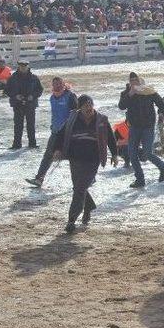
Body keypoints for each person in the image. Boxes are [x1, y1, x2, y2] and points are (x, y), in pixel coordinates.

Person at [53, 95, 118, 233]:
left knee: (80, 188)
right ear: (80, 108)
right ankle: (88, 207)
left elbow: (111, 138)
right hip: (75, 158)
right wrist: (58, 150)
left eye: (90, 105)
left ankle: (71, 220)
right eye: (85, 105)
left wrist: (115, 154)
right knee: (78, 187)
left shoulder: (101, 120)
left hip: (93, 159)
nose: (88, 108)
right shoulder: (72, 119)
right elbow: (60, 134)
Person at [118, 72, 164, 188]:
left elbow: (161, 103)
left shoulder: (148, 91)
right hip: (134, 127)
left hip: (148, 127)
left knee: (147, 153)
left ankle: (163, 167)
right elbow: (121, 106)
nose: (134, 83)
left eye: (135, 80)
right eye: (131, 81)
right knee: (132, 154)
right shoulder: (126, 93)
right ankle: (140, 179)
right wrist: (130, 94)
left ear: (139, 80)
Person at [26, 77, 78, 187]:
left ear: (63, 85)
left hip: (69, 133)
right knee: (48, 155)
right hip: (56, 132)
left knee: (76, 157)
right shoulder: (52, 98)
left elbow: (76, 114)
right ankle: (39, 178)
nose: (57, 86)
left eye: (59, 84)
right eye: (55, 84)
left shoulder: (70, 96)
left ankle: (89, 178)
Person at [6, 60, 43, 149]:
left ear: (27, 66)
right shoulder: (12, 78)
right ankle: (16, 144)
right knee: (18, 125)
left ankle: (32, 144)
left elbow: (40, 90)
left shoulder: (34, 77)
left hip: (30, 104)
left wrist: (33, 96)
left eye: (25, 66)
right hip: (18, 104)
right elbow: (7, 90)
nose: (23, 68)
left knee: (31, 125)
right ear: (19, 66)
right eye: (21, 66)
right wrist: (15, 96)